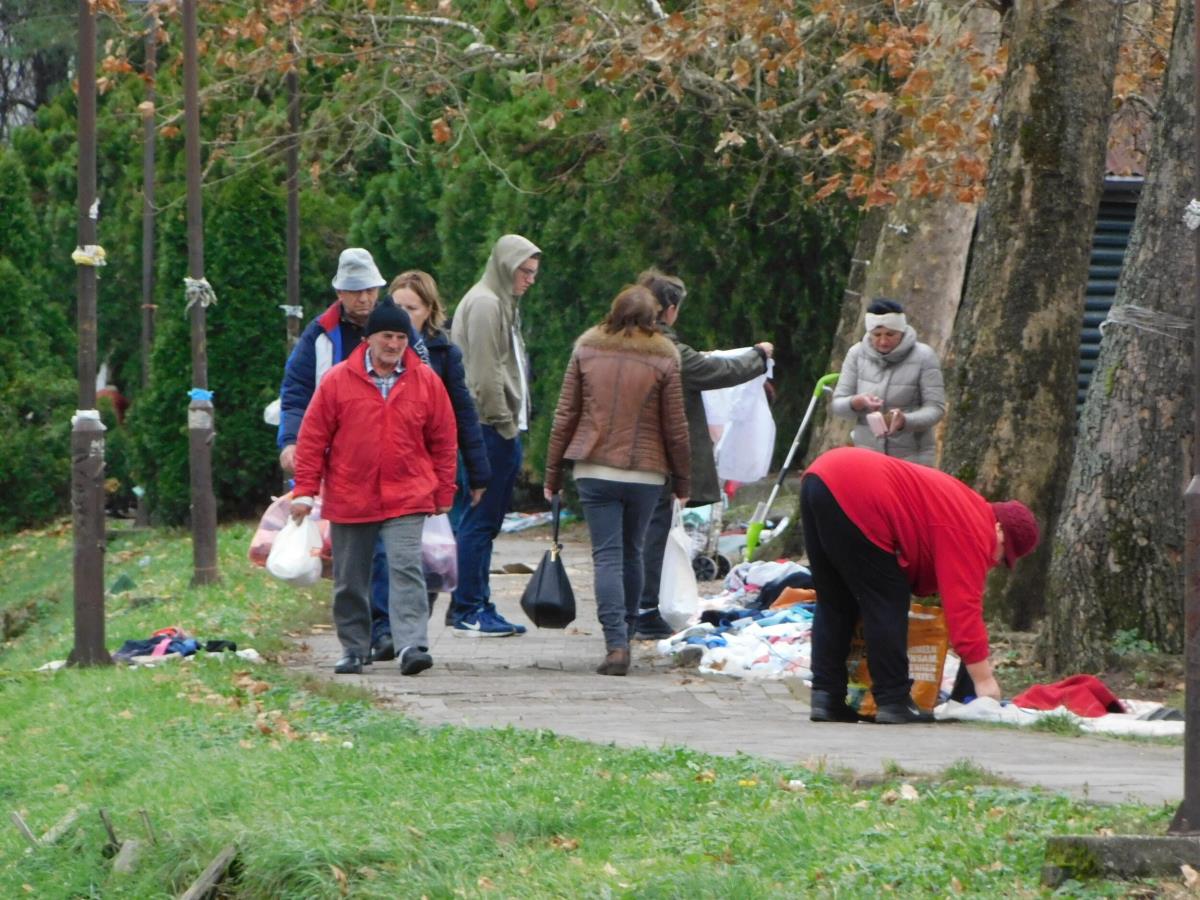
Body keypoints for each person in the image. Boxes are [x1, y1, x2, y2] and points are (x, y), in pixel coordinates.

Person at [799, 447, 1040, 724]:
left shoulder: (962, 506)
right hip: (856, 491)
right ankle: (893, 700)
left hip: (820, 476)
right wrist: (985, 683)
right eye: (1004, 553)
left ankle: (826, 697)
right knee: (886, 600)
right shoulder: (975, 529)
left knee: (836, 600)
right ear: (999, 529)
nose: (996, 561)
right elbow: (963, 612)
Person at [291, 298, 458, 676]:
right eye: (387, 335)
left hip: (408, 493)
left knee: (406, 569)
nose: (394, 344)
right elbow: (313, 438)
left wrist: (443, 492)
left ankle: (411, 645)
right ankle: (354, 647)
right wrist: (304, 490)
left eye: (401, 337)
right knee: (351, 577)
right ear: (368, 338)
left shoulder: (426, 382)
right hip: (351, 493)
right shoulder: (336, 381)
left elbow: (444, 440)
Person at [277, 248, 427, 664]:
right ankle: (360, 642)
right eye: (354, 291)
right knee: (351, 564)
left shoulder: (398, 332)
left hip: (399, 465)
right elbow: (297, 393)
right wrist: (291, 442)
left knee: (397, 558)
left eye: (370, 291)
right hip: (342, 461)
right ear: (340, 292)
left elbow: (431, 395)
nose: (363, 299)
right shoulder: (320, 335)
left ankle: (391, 632)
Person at [543, 285, 692, 675]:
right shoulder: (665, 358)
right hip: (646, 471)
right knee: (634, 552)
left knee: (606, 556)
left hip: (594, 468)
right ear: (654, 317)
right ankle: (627, 632)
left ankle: (615, 645)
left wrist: (552, 474)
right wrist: (683, 482)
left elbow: (565, 416)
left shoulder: (587, 350)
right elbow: (675, 428)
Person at [633, 269, 773, 639]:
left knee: (621, 536)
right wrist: (758, 356)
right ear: (669, 309)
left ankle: (619, 611)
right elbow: (715, 370)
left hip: (612, 457)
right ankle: (642, 610)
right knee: (652, 530)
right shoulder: (667, 350)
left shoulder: (611, 343)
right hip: (655, 456)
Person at [367, 270, 492, 650]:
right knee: (385, 555)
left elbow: (462, 413)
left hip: (434, 468)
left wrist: (477, 470)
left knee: (433, 557)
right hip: (384, 469)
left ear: (429, 311)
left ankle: (412, 630)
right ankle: (385, 629)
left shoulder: (443, 353)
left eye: (412, 308)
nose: (403, 316)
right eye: (397, 307)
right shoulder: (373, 353)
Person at [447, 234, 542, 636]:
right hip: (489, 429)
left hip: (495, 428)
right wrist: (504, 422)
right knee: (478, 522)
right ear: (505, 267)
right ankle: (468, 607)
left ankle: (477, 602)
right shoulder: (486, 304)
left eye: (534, 273)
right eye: (524, 271)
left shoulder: (501, 304)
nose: (529, 280)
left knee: (483, 523)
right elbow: (484, 376)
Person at [830, 298, 945, 467]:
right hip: (867, 454)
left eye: (890, 334)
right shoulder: (856, 354)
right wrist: (856, 402)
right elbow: (838, 403)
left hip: (912, 457)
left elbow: (936, 408)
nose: (883, 341)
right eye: (877, 335)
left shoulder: (924, 356)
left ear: (902, 331)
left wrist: (905, 420)